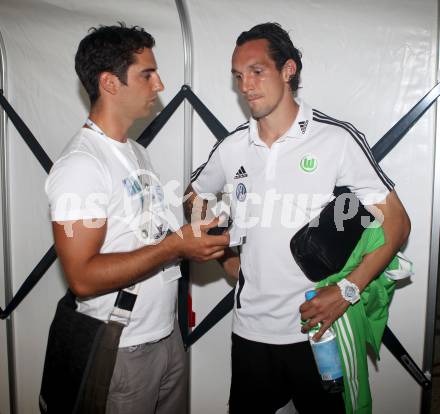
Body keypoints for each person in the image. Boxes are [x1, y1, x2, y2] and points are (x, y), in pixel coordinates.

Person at [184, 22, 410, 413]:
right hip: (250, 334)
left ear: (288, 70)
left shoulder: (335, 138)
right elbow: (194, 196)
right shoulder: (233, 146)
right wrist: (226, 254)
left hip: (318, 333)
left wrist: (347, 291)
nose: (246, 86)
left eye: (257, 71)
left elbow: (397, 223)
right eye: (238, 76)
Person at [45, 23, 229, 414]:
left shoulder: (135, 152)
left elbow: (147, 239)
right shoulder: (82, 165)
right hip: (124, 351)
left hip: (165, 338)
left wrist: (192, 238)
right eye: (147, 73)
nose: (160, 84)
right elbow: (81, 275)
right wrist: (175, 245)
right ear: (110, 83)